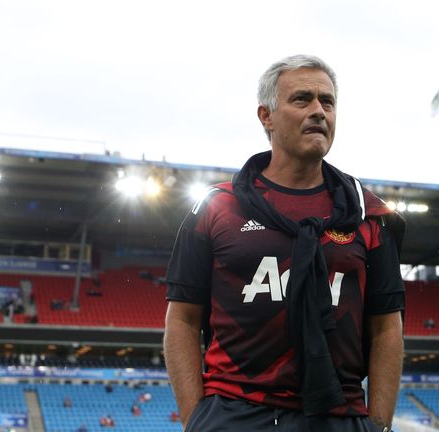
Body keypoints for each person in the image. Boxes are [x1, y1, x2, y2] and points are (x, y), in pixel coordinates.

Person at [164, 54, 405, 432]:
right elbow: (182, 319)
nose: (318, 111)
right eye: (302, 99)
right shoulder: (216, 208)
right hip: (235, 413)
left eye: (327, 102)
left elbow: (386, 328)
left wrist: (378, 425)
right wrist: (197, 419)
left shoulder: (370, 215)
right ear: (266, 116)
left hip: (338, 416)